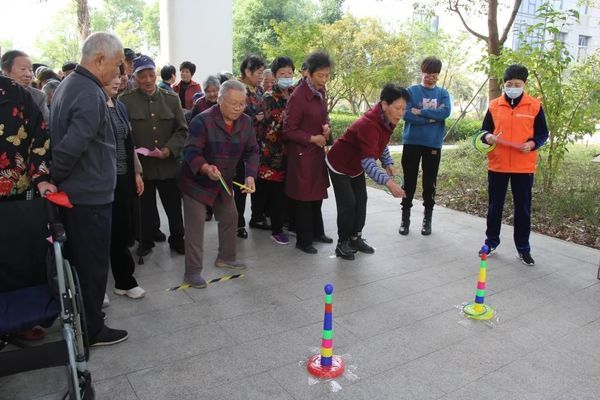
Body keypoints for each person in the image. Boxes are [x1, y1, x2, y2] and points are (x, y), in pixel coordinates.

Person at [50, 32, 128, 346]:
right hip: (88, 196)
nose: (120, 73)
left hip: (79, 191)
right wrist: (55, 176)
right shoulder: (89, 92)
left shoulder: (71, 84)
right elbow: (71, 147)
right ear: (99, 60)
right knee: (92, 264)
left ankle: (87, 321)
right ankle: (92, 329)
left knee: (83, 262)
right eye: (118, 64)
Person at [177, 80, 259, 288]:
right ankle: (192, 272)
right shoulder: (202, 121)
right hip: (197, 180)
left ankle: (226, 257)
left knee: (230, 216)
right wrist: (205, 168)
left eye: (242, 104)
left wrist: (250, 175)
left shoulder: (246, 122)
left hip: (224, 179)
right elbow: (191, 151)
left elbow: (252, 151)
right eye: (233, 103)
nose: (239, 108)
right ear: (220, 100)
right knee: (196, 228)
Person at [326, 84, 408, 260]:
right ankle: (342, 244)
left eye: (404, 108)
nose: (401, 113)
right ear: (385, 105)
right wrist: (389, 183)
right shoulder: (369, 124)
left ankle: (355, 238)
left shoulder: (386, 119)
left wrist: (387, 162)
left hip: (355, 164)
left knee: (361, 200)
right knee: (348, 204)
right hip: (339, 163)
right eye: (398, 108)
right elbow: (368, 163)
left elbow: (381, 143)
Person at [480, 64, 548, 266]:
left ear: (524, 84)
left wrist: (532, 143)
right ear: (504, 84)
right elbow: (483, 132)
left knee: (523, 210)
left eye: (517, 84)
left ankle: (523, 249)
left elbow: (543, 134)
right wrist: (488, 137)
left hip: (523, 167)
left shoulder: (534, 106)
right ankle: (491, 242)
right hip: (498, 165)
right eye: (509, 84)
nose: (512, 87)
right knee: (494, 207)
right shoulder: (494, 105)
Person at [119, 55, 187, 257]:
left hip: (168, 165)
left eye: (150, 75)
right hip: (143, 168)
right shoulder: (126, 102)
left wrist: (168, 149)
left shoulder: (172, 99)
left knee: (174, 208)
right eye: (142, 76)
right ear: (135, 77)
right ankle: (145, 241)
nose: (147, 80)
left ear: (155, 74)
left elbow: (182, 130)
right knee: (143, 209)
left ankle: (177, 239)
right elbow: (124, 135)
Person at [283, 51, 333, 254]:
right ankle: (303, 240)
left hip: (317, 153)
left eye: (327, 75)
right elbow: (288, 130)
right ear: (309, 74)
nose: (324, 79)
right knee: (304, 198)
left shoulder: (321, 92)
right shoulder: (297, 96)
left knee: (317, 195)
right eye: (320, 75)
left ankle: (317, 232)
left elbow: (324, 116)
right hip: (303, 154)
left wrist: (327, 128)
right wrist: (312, 138)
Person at [103, 65, 146, 299]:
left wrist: (137, 173)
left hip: (123, 177)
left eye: (120, 76)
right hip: (100, 181)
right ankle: (96, 288)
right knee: (99, 234)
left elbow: (130, 143)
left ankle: (124, 281)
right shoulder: (94, 105)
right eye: (112, 75)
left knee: (121, 231)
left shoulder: (119, 106)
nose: (117, 80)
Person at [399, 56, 451, 236]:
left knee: (430, 183)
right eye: (428, 74)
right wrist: (432, 118)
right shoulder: (411, 91)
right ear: (422, 72)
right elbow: (406, 114)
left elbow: (445, 112)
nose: (431, 78)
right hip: (412, 142)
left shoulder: (443, 93)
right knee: (409, 181)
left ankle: (427, 220)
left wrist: (421, 112)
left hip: (433, 144)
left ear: (438, 75)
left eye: (434, 75)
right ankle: (405, 219)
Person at [250, 56, 296, 245]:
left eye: (290, 73)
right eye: (282, 74)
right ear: (275, 76)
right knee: (276, 193)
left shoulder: (295, 93)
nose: (287, 77)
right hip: (272, 154)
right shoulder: (268, 97)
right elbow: (272, 126)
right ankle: (276, 229)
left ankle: (287, 223)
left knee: (288, 191)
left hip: (292, 152)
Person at [235, 55, 266, 238]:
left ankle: (257, 217)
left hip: (258, 144)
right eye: (259, 72)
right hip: (240, 146)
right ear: (247, 71)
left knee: (255, 181)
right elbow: (235, 115)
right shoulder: (237, 90)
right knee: (241, 184)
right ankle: (238, 223)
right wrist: (256, 118)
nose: (261, 76)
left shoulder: (259, 90)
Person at [1, 50, 50, 122]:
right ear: (5, 72)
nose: (28, 74)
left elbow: (47, 125)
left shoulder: (38, 96)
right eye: (22, 69)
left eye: (30, 70)